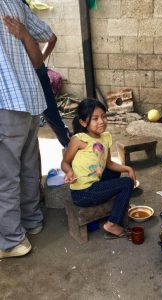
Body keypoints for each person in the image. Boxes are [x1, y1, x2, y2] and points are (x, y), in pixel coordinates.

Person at [0, 1, 53, 258]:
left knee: (5, 177)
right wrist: (22, 34)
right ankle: (32, 221)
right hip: (31, 100)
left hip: (6, 102)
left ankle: (11, 242)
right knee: (29, 167)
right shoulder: (17, 4)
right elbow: (47, 39)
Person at [61, 98, 136, 238]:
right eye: (95, 119)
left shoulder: (106, 137)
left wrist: (127, 169)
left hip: (95, 183)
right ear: (83, 122)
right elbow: (64, 163)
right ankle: (112, 224)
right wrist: (69, 171)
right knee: (127, 183)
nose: (101, 121)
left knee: (114, 174)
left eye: (103, 116)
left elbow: (108, 164)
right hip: (83, 193)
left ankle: (115, 201)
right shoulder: (79, 139)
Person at [21, 0, 71, 147]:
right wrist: (39, 60)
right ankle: (70, 145)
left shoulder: (20, 14)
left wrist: (39, 59)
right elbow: (52, 38)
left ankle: (72, 147)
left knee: (30, 123)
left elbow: (52, 38)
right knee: (52, 118)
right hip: (36, 72)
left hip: (34, 74)